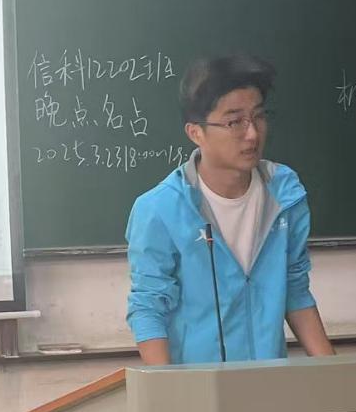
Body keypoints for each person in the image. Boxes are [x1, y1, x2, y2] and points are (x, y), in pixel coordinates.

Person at [125, 55, 335, 365]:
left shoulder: (285, 194)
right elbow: (148, 308)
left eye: (258, 116)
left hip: (268, 379)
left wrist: (334, 373)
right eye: (234, 122)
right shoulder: (160, 209)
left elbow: (295, 289)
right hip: (197, 385)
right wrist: (167, 388)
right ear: (195, 132)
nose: (252, 134)